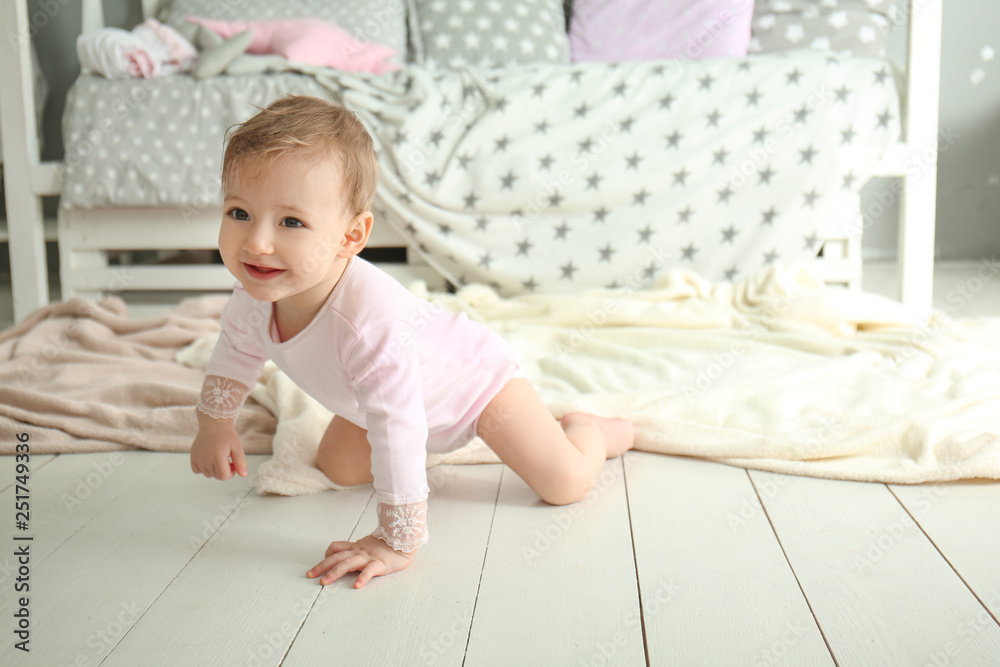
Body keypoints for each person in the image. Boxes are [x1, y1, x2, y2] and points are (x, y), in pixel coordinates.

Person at [189, 95, 635, 588]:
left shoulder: (369, 323)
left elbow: (396, 429)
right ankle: (418, 442)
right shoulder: (255, 293)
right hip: (378, 399)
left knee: (565, 483)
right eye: (239, 212)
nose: (256, 243)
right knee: (337, 466)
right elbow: (237, 351)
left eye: (291, 222)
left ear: (351, 236)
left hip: (475, 388)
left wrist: (396, 540)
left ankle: (592, 431)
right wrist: (215, 425)